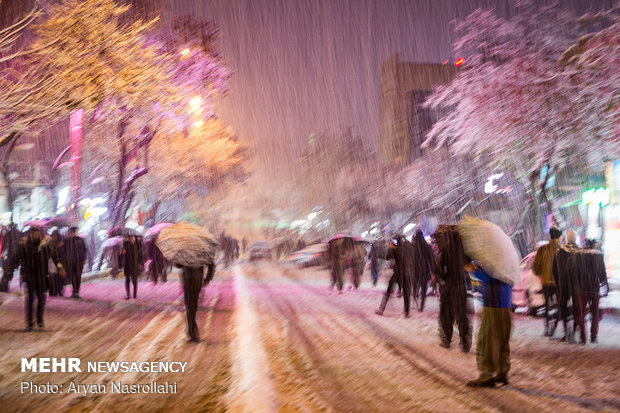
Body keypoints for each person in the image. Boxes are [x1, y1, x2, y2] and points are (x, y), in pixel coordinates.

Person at [466, 261, 512, 387]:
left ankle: (486, 375)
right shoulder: (508, 258)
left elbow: (487, 277)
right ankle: (502, 372)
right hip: (506, 304)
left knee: (485, 341)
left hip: (493, 303)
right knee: (502, 340)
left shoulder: (493, 257)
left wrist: (473, 270)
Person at [18, 226, 63, 331]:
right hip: (30, 277)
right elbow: (18, 258)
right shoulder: (25, 245)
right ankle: (29, 323)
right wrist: (10, 271)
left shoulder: (45, 245)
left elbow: (55, 257)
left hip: (42, 276)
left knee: (41, 300)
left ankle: (40, 321)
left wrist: (60, 268)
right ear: (30, 233)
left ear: (39, 233)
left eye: (37, 233)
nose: (35, 235)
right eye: (33, 233)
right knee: (29, 301)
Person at [433, 226, 471, 352]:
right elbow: (470, 267)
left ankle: (447, 339)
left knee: (446, 314)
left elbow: (439, 269)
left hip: (449, 286)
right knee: (461, 314)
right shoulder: (465, 250)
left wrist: (442, 276)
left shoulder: (447, 249)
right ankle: (465, 340)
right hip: (461, 286)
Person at [569, 244, 608, 344]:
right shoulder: (598, 256)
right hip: (594, 289)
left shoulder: (577, 256)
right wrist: (605, 287)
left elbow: (572, 272)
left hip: (581, 289)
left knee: (581, 312)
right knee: (595, 312)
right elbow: (603, 274)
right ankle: (594, 336)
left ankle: (583, 338)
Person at [532, 227, 562, 336]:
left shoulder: (542, 249)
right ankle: (554, 327)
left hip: (545, 282)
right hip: (558, 283)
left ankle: (547, 328)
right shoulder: (561, 249)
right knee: (558, 305)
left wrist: (542, 273)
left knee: (548, 305)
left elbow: (535, 266)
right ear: (559, 237)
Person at [552, 229, 580, 341]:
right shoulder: (579, 252)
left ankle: (566, 331)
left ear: (567, 238)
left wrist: (557, 281)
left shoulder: (559, 251)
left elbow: (554, 269)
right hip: (576, 284)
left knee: (563, 306)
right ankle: (573, 330)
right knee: (577, 307)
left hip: (562, 283)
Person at [376, 236, 411, 317]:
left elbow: (387, 257)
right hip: (406, 273)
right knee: (406, 293)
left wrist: (391, 248)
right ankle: (407, 312)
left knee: (388, 291)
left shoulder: (396, 250)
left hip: (397, 273)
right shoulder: (407, 249)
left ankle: (381, 309)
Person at [181, 263, 215, 342]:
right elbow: (211, 264)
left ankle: (192, 331)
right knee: (193, 304)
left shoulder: (184, 252)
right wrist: (208, 278)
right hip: (197, 279)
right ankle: (192, 331)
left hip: (188, 279)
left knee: (189, 306)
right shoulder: (202, 251)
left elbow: (178, 264)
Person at [61, 227, 87, 298]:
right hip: (69, 262)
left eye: (69, 232)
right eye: (68, 233)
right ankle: (74, 290)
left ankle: (76, 291)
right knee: (72, 276)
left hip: (78, 261)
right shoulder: (65, 241)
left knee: (78, 276)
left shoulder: (80, 240)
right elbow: (63, 252)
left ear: (73, 232)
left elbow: (84, 250)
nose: (68, 234)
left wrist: (84, 259)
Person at [413, 230, 434, 312]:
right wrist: (433, 268)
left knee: (415, 286)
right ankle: (421, 305)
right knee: (424, 287)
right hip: (425, 269)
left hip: (415, 269)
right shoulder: (427, 246)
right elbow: (431, 258)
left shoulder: (413, 246)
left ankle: (416, 299)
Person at [122, 235, 143, 299]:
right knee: (127, 280)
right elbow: (122, 254)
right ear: (128, 238)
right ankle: (128, 295)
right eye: (130, 238)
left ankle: (134, 295)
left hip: (135, 265)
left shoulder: (138, 244)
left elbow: (140, 254)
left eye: (133, 238)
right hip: (127, 265)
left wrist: (140, 263)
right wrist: (123, 252)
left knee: (135, 280)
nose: (132, 240)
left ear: (134, 238)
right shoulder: (125, 244)